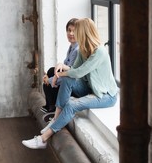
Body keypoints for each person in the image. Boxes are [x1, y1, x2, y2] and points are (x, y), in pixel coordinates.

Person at [22, 18, 118, 149]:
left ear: (84, 32)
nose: (73, 34)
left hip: (105, 96)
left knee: (72, 104)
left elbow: (79, 72)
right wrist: (59, 71)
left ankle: (42, 140)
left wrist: (59, 75)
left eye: (76, 31)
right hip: (90, 89)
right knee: (67, 79)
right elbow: (73, 70)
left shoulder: (99, 52)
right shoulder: (83, 50)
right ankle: (55, 119)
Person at [41, 18, 79, 113]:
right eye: (69, 30)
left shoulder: (78, 50)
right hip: (68, 77)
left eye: (74, 31)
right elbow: (65, 66)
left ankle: (52, 109)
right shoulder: (72, 46)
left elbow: (70, 73)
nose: (71, 33)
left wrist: (49, 80)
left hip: (73, 83)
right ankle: (50, 105)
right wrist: (51, 77)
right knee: (51, 70)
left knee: (46, 84)